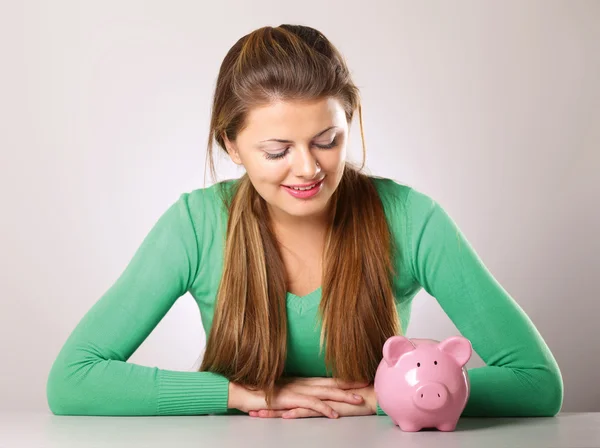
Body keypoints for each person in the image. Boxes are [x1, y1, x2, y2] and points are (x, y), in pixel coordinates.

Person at [46, 24, 563, 419]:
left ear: (349, 122)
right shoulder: (195, 224)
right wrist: (241, 394)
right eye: (276, 150)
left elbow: (537, 383)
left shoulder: (411, 218)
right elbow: (72, 380)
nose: (309, 168)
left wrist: (383, 397)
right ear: (231, 146)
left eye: (327, 140)